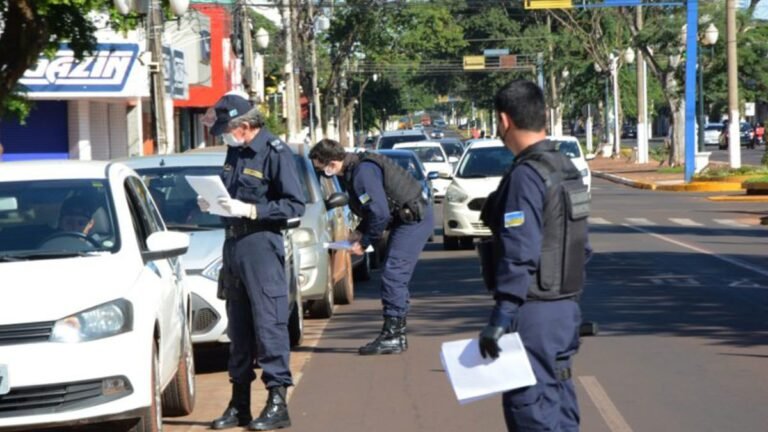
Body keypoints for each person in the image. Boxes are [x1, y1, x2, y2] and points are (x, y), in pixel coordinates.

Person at [476, 80, 591, 431]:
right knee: (558, 406)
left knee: (530, 410)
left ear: (504, 120)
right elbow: (580, 246)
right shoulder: (565, 167)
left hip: (534, 312)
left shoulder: (527, 176)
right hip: (565, 308)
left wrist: (501, 315)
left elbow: (520, 251)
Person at [197, 94, 305, 431]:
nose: (223, 136)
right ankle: (239, 403)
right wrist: (213, 203)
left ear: (245, 126)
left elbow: (294, 205)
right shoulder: (236, 151)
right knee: (238, 328)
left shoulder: (275, 152)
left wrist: (254, 210)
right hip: (233, 244)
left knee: (269, 324)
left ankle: (277, 402)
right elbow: (230, 193)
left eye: (226, 130)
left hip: (261, 244)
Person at [308, 139, 433, 355]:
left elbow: (380, 213)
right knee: (393, 274)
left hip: (413, 219)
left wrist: (364, 243)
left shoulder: (362, 172)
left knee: (394, 275)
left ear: (332, 162)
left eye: (321, 167)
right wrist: (361, 231)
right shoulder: (355, 169)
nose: (322, 172)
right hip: (407, 219)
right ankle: (396, 333)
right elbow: (374, 208)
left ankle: (393, 334)